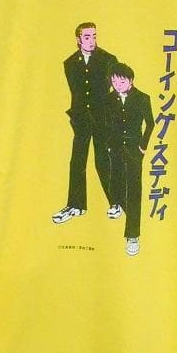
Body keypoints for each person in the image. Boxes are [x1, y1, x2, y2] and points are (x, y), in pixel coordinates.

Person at [52, 22, 121, 224]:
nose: (92, 41)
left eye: (94, 36)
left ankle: (116, 203)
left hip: (103, 119)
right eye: (87, 37)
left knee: (103, 160)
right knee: (77, 161)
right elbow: (77, 93)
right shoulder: (70, 63)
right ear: (79, 39)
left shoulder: (108, 60)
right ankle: (76, 205)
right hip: (81, 120)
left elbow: (118, 91)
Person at [104, 62, 155, 256]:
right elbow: (105, 122)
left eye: (122, 81)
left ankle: (132, 236)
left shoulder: (143, 98)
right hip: (115, 146)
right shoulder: (109, 99)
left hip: (135, 149)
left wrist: (143, 146)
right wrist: (109, 143)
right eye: (114, 82)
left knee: (134, 190)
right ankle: (116, 203)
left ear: (131, 81)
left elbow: (150, 124)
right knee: (115, 177)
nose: (117, 85)